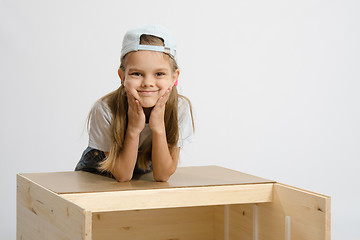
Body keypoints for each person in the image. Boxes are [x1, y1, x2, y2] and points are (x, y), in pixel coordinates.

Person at [75, 24, 194, 182]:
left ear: (174, 77)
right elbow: (123, 176)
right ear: (122, 76)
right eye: (137, 73)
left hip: (142, 176)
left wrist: (158, 127)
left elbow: (162, 175)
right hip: (98, 174)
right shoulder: (105, 109)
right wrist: (133, 129)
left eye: (159, 74)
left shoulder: (179, 108)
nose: (148, 83)